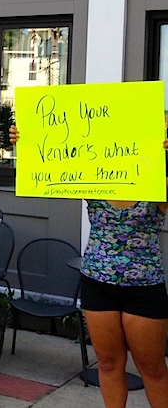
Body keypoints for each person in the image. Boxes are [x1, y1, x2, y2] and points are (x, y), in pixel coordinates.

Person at [9, 125, 168, 408]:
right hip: (97, 284)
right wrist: (26, 141)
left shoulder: (156, 183)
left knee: (153, 369)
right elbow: (51, 168)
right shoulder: (93, 181)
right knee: (108, 365)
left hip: (144, 287)